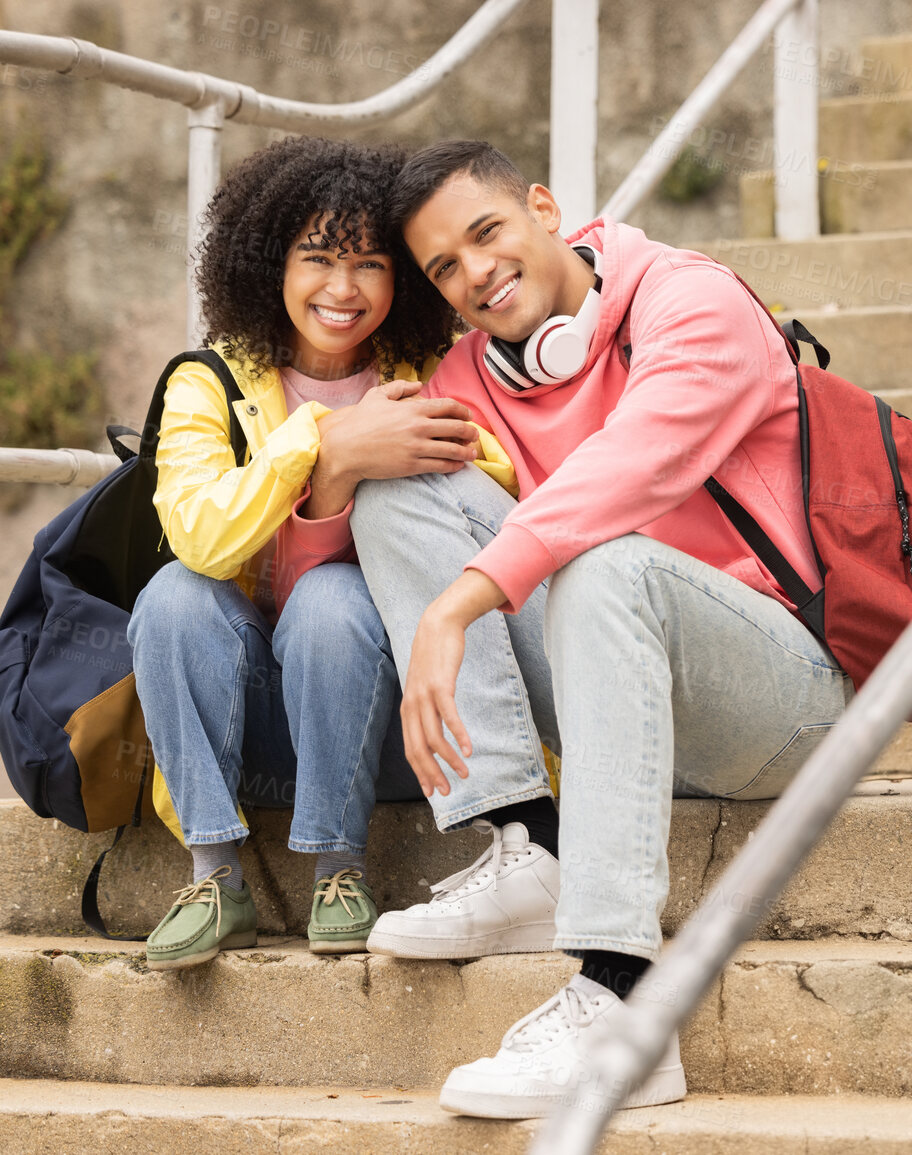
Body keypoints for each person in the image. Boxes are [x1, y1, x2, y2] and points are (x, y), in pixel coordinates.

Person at [349, 140, 853, 1117]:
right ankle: (534, 845)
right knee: (396, 493)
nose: (476, 272)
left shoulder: (692, 302)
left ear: (545, 208)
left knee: (603, 557)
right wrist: (334, 458)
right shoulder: (471, 373)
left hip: (783, 701)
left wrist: (461, 605)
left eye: (487, 233)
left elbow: (625, 474)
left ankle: (624, 1004)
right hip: (619, 697)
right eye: (445, 267)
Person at [128, 135, 505, 970]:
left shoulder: (430, 373)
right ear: (270, 266)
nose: (343, 288)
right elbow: (199, 533)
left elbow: (497, 494)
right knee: (172, 594)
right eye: (318, 258)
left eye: (369, 263)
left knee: (334, 599)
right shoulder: (208, 381)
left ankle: (339, 868)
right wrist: (326, 448)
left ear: (400, 277)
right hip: (248, 718)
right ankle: (214, 875)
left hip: (384, 718)